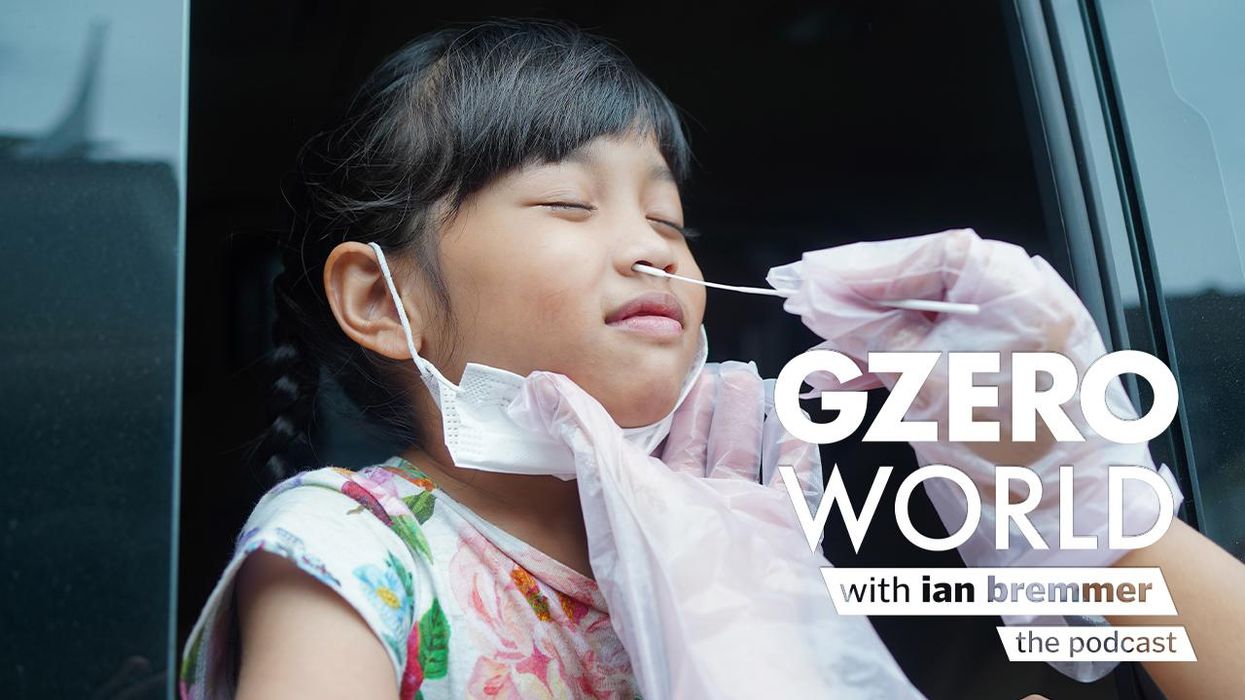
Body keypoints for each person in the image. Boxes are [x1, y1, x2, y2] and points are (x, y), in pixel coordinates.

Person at [179, 17, 1245, 700]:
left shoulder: (764, 512)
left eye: (671, 220)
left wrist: (1071, 478)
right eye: (568, 202)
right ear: (383, 297)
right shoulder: (352, 550)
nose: (650, 246)